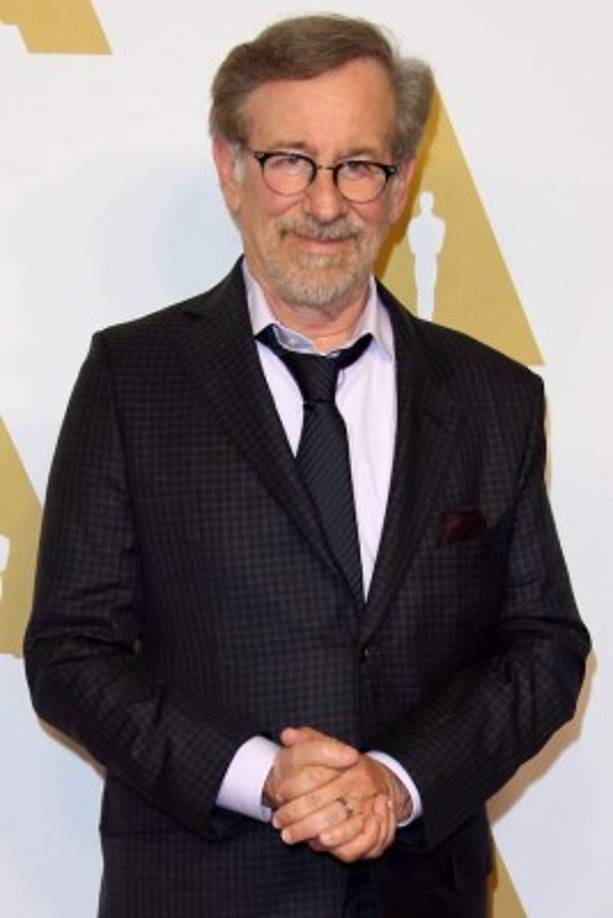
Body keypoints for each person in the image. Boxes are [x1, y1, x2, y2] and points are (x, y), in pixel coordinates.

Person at [24, 14, 590, 918]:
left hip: (419, 896)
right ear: (230, 168)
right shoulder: (132, 379)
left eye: (358, 165)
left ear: (400, 183)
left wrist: (398, 781)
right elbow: (69, 652)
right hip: (199, 893)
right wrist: (264, 776)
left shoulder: (493, 397)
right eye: (291, 159)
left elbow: (544, 649)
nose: (325, 203)